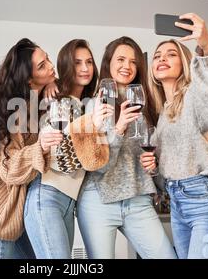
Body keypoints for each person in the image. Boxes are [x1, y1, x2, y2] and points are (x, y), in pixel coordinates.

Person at [141, 13, 208, 259]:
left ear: (184, 61)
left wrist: (206, 45)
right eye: (157, 56)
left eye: (171, 54)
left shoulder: (193, 96)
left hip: (203, 202)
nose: (162, 59)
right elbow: (167, 171)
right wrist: (153, 168)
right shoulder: (162, 115)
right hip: (177, 204)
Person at [76, 36, 177, 259]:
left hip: (138, 199)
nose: (127, 66)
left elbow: (153, 158)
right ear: (108, 63)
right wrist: (119, 128)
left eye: (133, 62)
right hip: (99, 201)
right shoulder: (94, 106)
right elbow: (99, 166)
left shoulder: (146, 105)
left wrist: (154, 167)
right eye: (121, 59)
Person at [0, 38, 63, 259]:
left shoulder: (33, 100)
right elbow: (8, 167)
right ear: (29, 80)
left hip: (14, 206)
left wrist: (50, 82)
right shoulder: (17, 113)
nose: (51, 66)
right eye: (42, 66)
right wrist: (40, 147)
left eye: (47, 58)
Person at [25, 39, 109, 259]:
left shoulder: (86, 105)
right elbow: (64, 159)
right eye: (77, 62)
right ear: (65, 65)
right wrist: (92, 126)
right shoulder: (57, 102)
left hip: (68, 203)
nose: (84, 68)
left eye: (89, 62)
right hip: (48, 196)